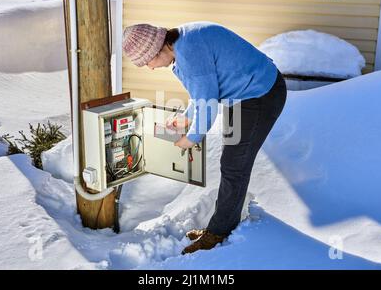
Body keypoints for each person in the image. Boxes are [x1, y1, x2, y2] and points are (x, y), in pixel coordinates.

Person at [122, 21, 287, 254]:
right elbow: (202, 91)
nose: (149, 68)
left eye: (147, 61)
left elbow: (207, 103)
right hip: (242, 94)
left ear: (157, 49)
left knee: (234, 165)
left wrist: (191, 139)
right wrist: (186, 118)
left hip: (260, 95)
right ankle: (224, 223)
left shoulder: (189, 52)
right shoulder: (183, 43)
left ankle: (218, 232)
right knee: (232, 163)